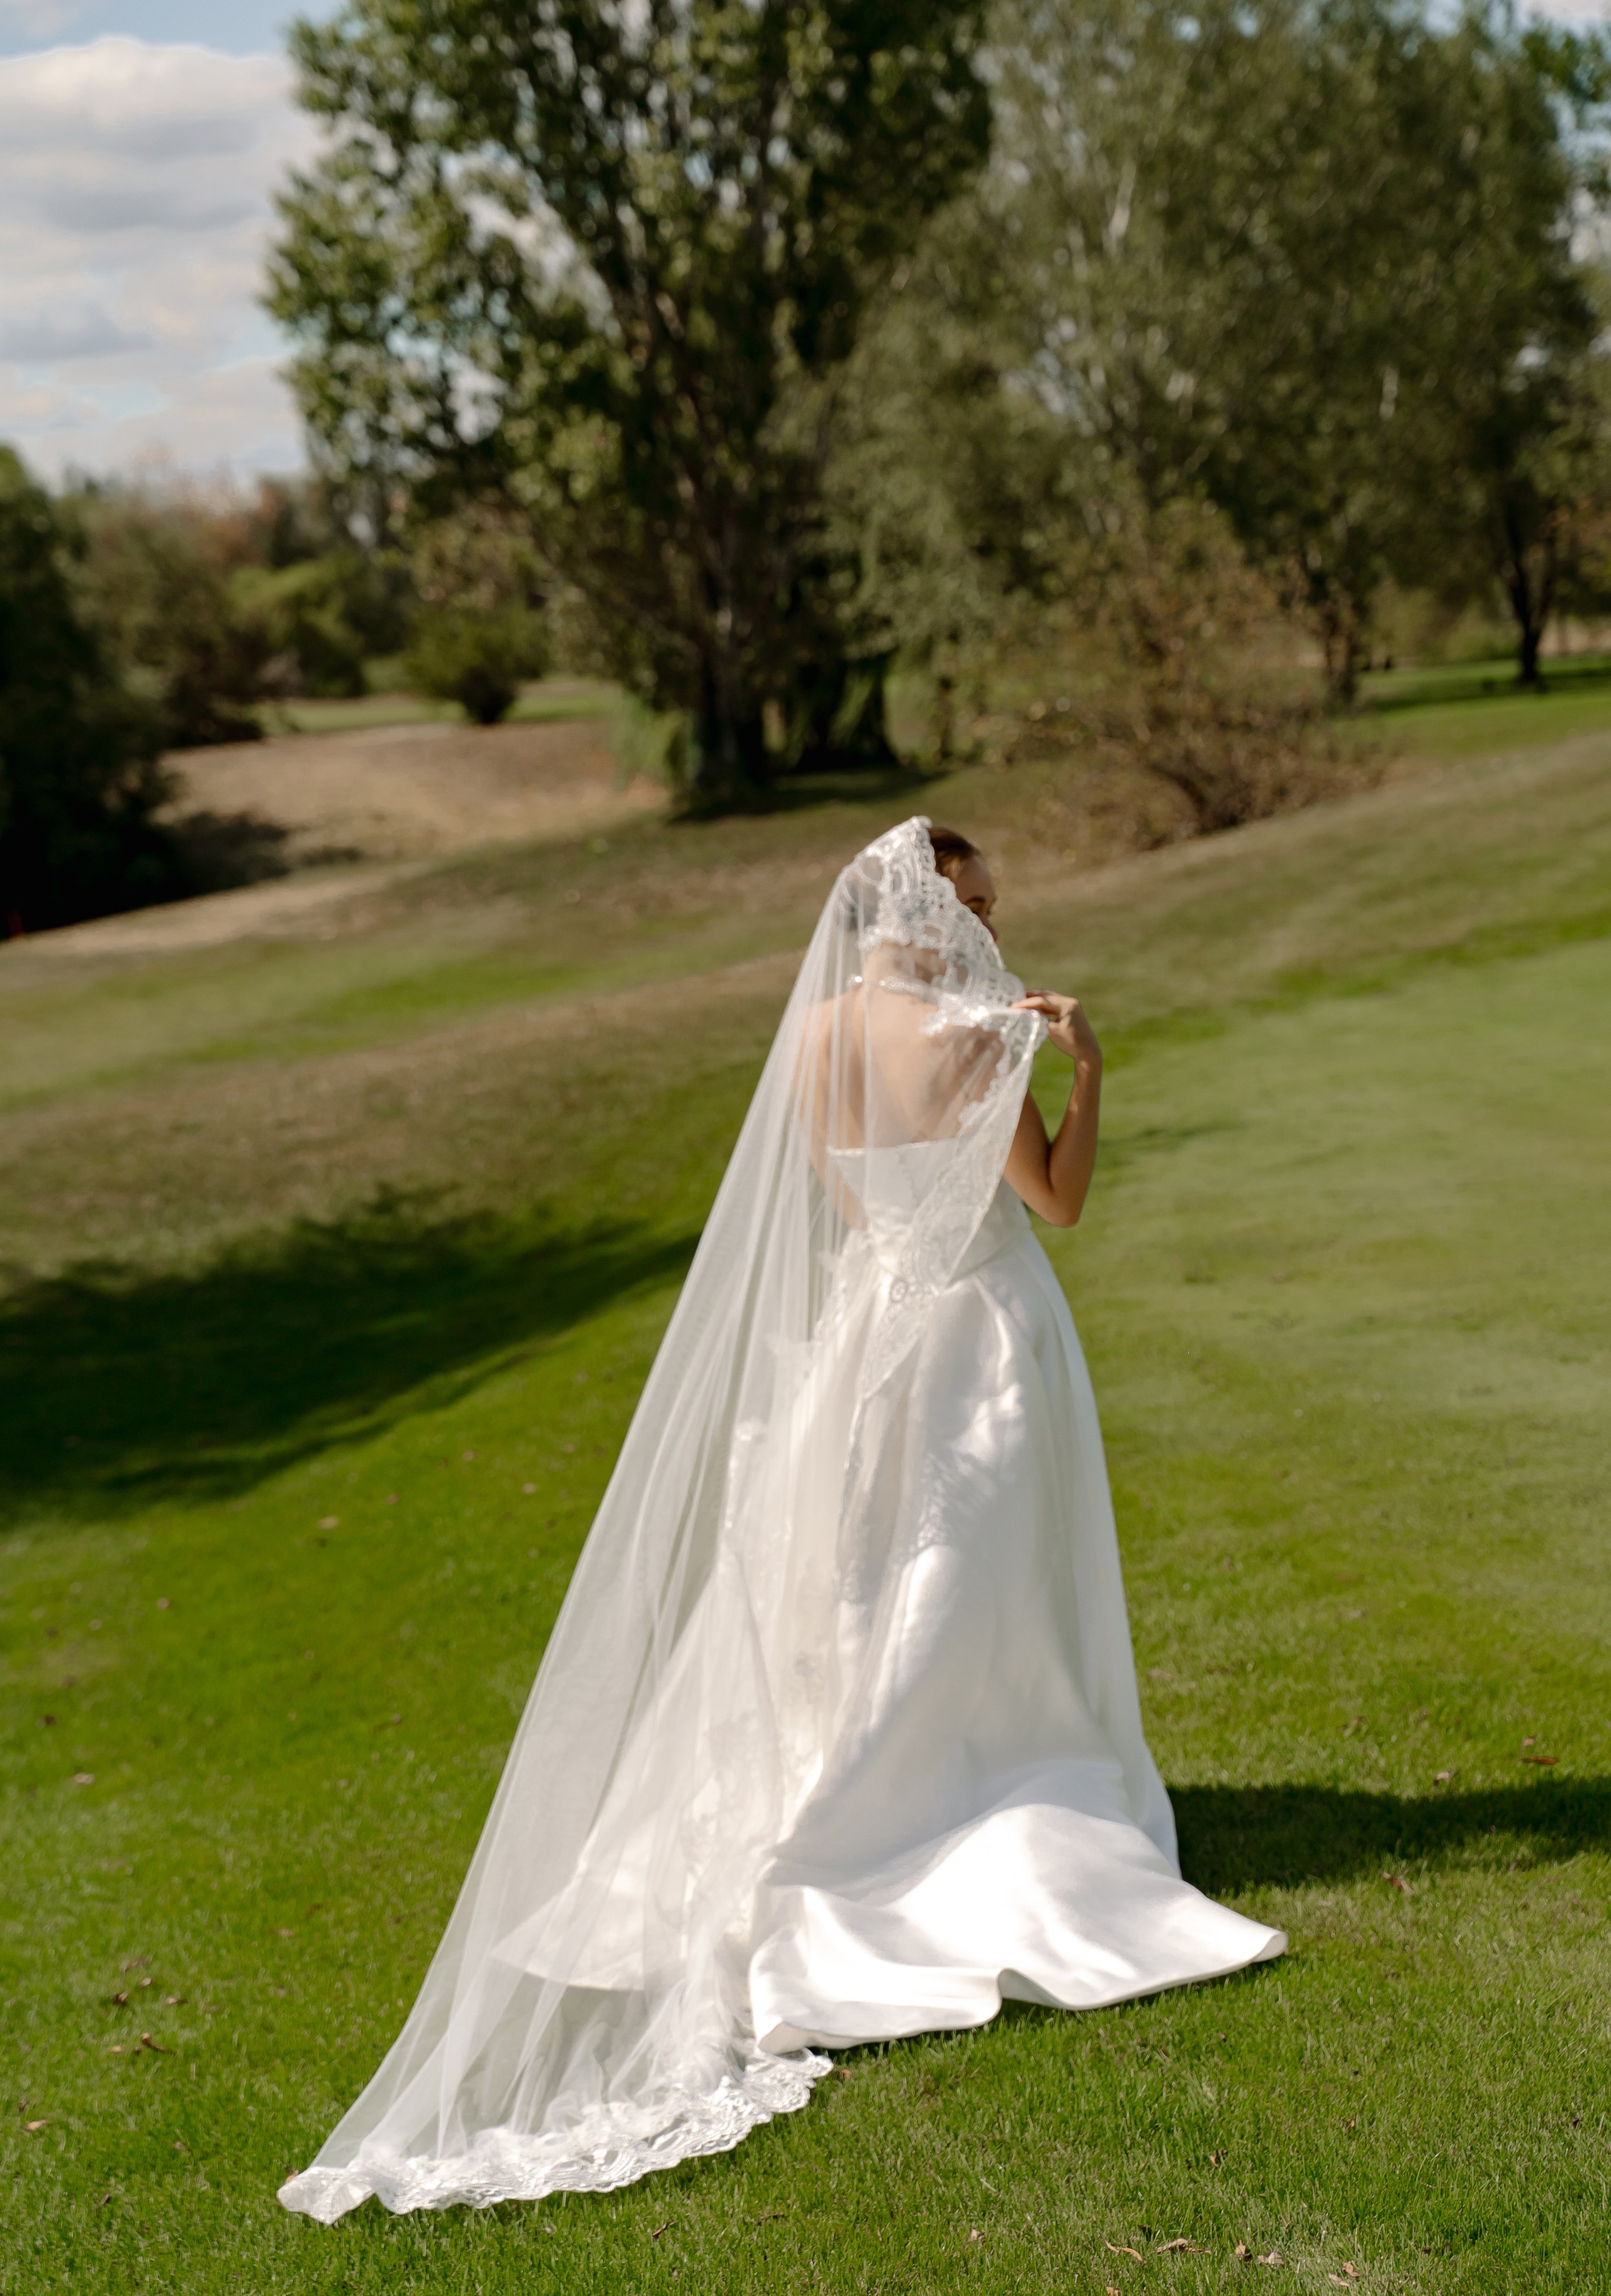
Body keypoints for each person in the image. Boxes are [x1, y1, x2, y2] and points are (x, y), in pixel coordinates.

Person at [280, 816, 1283, 2223]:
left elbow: (839, 1200)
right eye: (982, 905)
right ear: (941, 917)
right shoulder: (980, 1030)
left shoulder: (814, 1035)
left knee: (868, 1592)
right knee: (977, 1597)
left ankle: (843, 1804)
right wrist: (1088, 1069)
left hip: (870, 1337)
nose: (995, 926)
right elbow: (1052, 1204)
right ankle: (957, 1818)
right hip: (984, 1337)